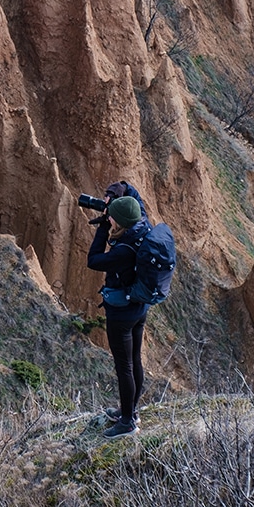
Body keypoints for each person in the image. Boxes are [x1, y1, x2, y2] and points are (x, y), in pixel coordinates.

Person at [86, 185, 151, 438]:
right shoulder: (142, 224)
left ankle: (127, 422)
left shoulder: (124, 251)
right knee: (134, 359)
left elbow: (93, 260)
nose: (109, 216)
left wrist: (103, 228)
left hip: (122, 314)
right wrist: (116, 192)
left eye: (112, 215)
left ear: (120, 221)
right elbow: (133, 195)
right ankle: (131, 410)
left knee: (124, 366)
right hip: (139, 307)